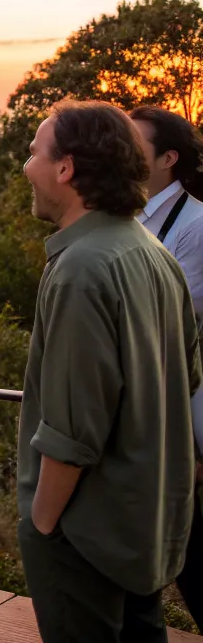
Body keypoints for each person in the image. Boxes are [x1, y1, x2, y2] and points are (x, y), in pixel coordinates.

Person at [18, 100, 202, 642]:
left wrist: (42, 525)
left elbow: (73, 432)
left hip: (86, 536)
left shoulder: (81, 269)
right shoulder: (151, 251)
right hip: (142, 525)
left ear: (66, 168)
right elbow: (185, 378)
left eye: (33, 153)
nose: (26, 167)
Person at [129, 105, 203, 630]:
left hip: (187, 416)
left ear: (169, 159)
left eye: (136, 142)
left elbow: (182, 320)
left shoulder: (196, 226)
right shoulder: (132, 221)